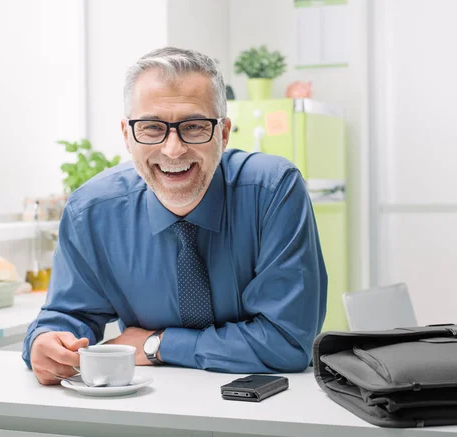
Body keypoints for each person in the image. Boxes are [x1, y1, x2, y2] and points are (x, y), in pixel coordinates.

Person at [23, 47, 327, 385]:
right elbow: (67, 317)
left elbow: (287, 342)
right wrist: (47, 342)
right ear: (127, 135)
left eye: (194, 126)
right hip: (148, 408)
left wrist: (158, 345)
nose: (173, 149)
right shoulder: (91, 212)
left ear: (223, 134)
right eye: (152, 128)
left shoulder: (272, 191)